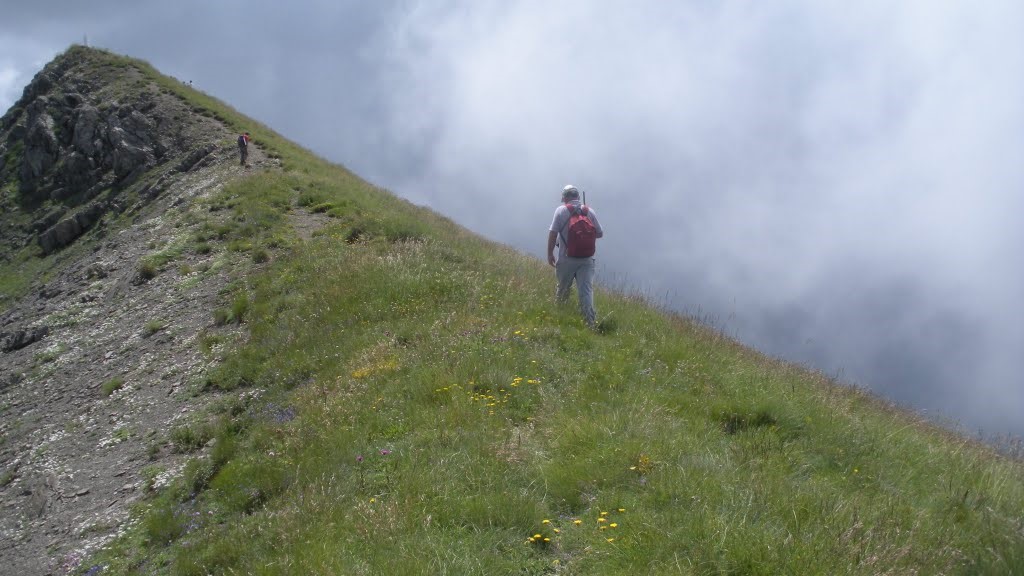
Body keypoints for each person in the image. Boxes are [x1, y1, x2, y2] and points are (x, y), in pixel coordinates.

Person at [547, 184, 604, 327]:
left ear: (565, 198)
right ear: (578, 197)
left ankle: (559, 318)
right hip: (587, 260)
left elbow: (553, 233)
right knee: (586, 291)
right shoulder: (589, 211)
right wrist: (585, 234)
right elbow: (600, 233)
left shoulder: (560, 211)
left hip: (566, 258)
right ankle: (590, 323)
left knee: (563, 289)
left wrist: (550, 254)